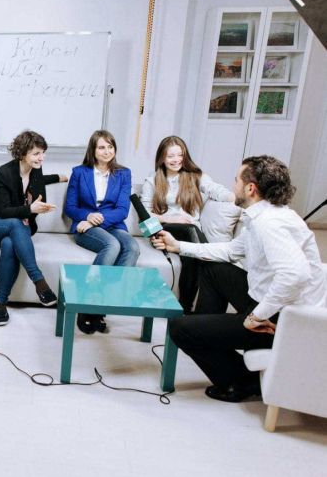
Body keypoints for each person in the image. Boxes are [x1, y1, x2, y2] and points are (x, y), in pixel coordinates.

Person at [152, 155, 326, 403]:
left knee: (179, 328)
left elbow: (295, 274)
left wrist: (257, 316)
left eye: (236, 180)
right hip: (270, 300)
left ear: (250, 188)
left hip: (282, 319)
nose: (233, 185)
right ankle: (209, 340)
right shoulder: (264, 216)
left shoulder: (269, 224)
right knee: (213, 270)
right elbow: (231, 251)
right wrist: (178, 246)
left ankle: (242, 381)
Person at [0, 130, 68, 326]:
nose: (41, 158)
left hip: (17, 229)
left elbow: (39, 190)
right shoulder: (3, 174)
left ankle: (0, 303)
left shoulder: (36, 170)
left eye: (43, 153)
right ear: (22, 153)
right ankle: (39, 282)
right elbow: (3, 211)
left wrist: (59, 178)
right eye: (36, 153)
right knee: (15, 223)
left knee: (9, 244)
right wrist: (29, 209)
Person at [141, 135, 234, 313]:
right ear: (162, 158)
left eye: (180, 155)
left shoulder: (195, 176)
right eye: (170, 156)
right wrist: (171, 218)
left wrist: (240, 199)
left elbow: (216, 191)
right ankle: (208, 261)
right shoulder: (152, 180)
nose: (176, 160)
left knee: (192, 257)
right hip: (166, 229)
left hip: (191, 232)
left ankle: (186, 308)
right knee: (193, 235)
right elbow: (145, 216)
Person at [65, 130, 139, 334]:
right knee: (112, 245)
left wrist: (97, 220)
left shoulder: (123, 174)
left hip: (113, 224)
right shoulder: (79, 172)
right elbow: (70, 207)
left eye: (110, 147)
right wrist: (88, 216)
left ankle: (102, 305)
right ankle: (87, 304)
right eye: (101, 147)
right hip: (84, 226)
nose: (107, 151)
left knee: (132, 248)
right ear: (93, 150)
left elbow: (122, 210)